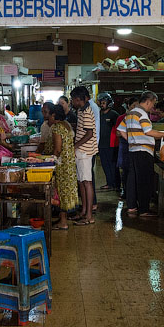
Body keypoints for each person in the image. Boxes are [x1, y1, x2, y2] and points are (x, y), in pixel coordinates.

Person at [118, 91, 164, 218]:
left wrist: (132, 140)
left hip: (133, 150)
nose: (153, 107)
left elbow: (120, 130)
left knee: (133, 180)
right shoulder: (142, 114)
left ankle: (132, 207)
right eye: (153, 103)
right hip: (143, 152)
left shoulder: (131, 113)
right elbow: (148, 131)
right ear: (148, 101)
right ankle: (144, 210)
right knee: (144, 181)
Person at [39, 105, 78, 229]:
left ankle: (63, 222)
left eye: (48, 115)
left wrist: (47, 161)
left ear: (54, 116)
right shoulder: (66, 124)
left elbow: (57, 149)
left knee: (61, 192)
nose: (47, 118)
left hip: (62, 165)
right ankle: (63, 219)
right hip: (69, 164)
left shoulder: (57, 127)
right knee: (64, 192)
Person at [70, 86, 97, 225]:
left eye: (72, 99)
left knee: (87, 182)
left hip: (85, 151)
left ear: (78, 99)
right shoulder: (80, 111)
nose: (72, 102)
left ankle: (89, 216)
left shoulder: (87, 112)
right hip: (80, 152)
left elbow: (89, 133)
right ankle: (83, 211)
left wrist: (75, 145)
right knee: (81, 182)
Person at [96, 92, 119, 191]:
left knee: (113, 165)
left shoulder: (114, 115)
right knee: (105, 165)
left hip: (112, 145)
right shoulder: (99, 114)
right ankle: (109, 183)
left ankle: (116, 184)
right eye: (101, 102)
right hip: (101, 144)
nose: (102, 104)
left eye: (104, 102)